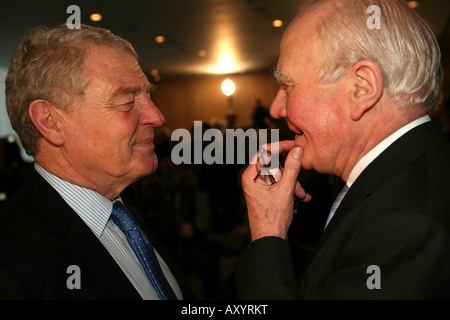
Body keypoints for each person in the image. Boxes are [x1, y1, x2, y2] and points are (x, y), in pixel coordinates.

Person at [236, 0, 450, 299]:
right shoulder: (408, 179)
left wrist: (267, 231)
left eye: (288, 85)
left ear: (361, 88)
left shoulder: (403, 222)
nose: (276, 108)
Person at [0, 24, 194, 299]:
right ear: (50, 122)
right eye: (127, 100)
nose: (157, 116)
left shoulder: (122, 215)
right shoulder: (11, 260)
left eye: (148, 96)